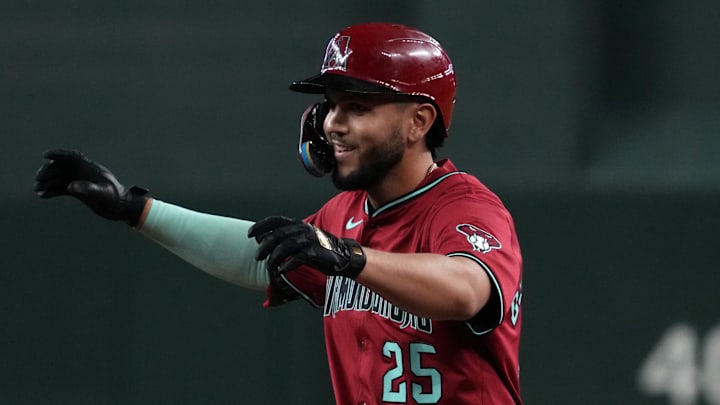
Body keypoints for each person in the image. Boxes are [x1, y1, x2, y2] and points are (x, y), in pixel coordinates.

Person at [34, 22, 524, 404]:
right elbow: (261, 258)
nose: (333, 123)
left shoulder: (463, 205)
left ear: (419, 120)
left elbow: (466, 289)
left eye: (357, 106)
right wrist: (138, 210)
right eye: (330, 106)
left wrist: (347, 257)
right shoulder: (344, 213)